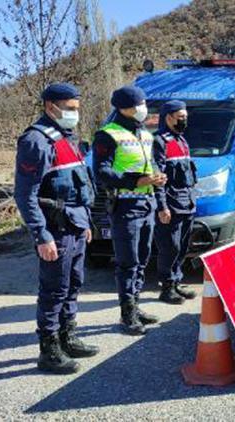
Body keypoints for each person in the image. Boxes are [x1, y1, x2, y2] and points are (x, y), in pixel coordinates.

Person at [14, 83, 98, 374]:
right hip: (56, 231)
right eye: (70, 108)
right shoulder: (36, 141)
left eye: (77, 108)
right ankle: (48, 350)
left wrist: (86, 223)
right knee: (54, 290)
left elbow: (80, 187)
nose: (75, 114)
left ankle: (67, 336)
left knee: (73, 285)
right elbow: (26, 195)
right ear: (51, 107)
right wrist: (41, 235)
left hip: (75, 228)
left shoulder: (68, 138)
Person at [93, 85, 167, 335]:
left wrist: (158, 182)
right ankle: (127, 314)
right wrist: (136, 181)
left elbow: (152, 165)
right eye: (139, 105)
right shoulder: (107, 134)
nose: (143, 109)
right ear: (124, 108)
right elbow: (102, 172)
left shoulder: (146, 134)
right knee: (128, 262)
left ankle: (136, 306)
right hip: (125, 205)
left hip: (147, 205)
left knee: (143, 259)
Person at [153, 100, 198, 304]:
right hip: (171, 205)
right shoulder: (160, 141)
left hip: (187, 203)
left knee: (181, 246)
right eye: (181, 117)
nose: (184, 120)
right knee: (169, 247)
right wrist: (162, 206)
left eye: (185, 116)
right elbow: (158, 178)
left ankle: (177, 282)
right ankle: (167, 287)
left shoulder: (182, 140)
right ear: (168, 117)